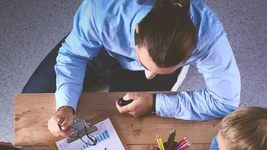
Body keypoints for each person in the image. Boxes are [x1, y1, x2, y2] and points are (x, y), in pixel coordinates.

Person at [26, 0, 241, 137]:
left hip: (138, 61)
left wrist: (156, 102)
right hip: (100, 45)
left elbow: (226, 101)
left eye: (158, 70)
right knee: (31, 102)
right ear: (137, 30)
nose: (149, 76)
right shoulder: (100, 10)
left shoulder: (209, 36)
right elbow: (73, 55)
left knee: (124, 127)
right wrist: (65, 105)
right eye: (147, 65)